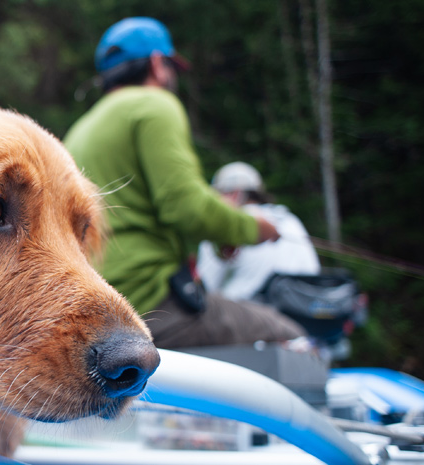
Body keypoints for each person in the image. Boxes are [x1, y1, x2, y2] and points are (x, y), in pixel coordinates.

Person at [64, 17, 306, 349]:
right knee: (290, 334)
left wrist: (221, 226)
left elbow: (144, 207)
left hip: (94, 304)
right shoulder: (155, 104)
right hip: (152, 301)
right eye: (171, 66)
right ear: (157, 64)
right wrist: (252, 228)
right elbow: (184, 207)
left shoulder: (79, 130)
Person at [197, 161, 322, 301]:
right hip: (302, 311)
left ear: (234, 194)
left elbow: (205, 287)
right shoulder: (290, 219)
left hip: (246, 315)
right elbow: (313, 270)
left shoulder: (227, 225)